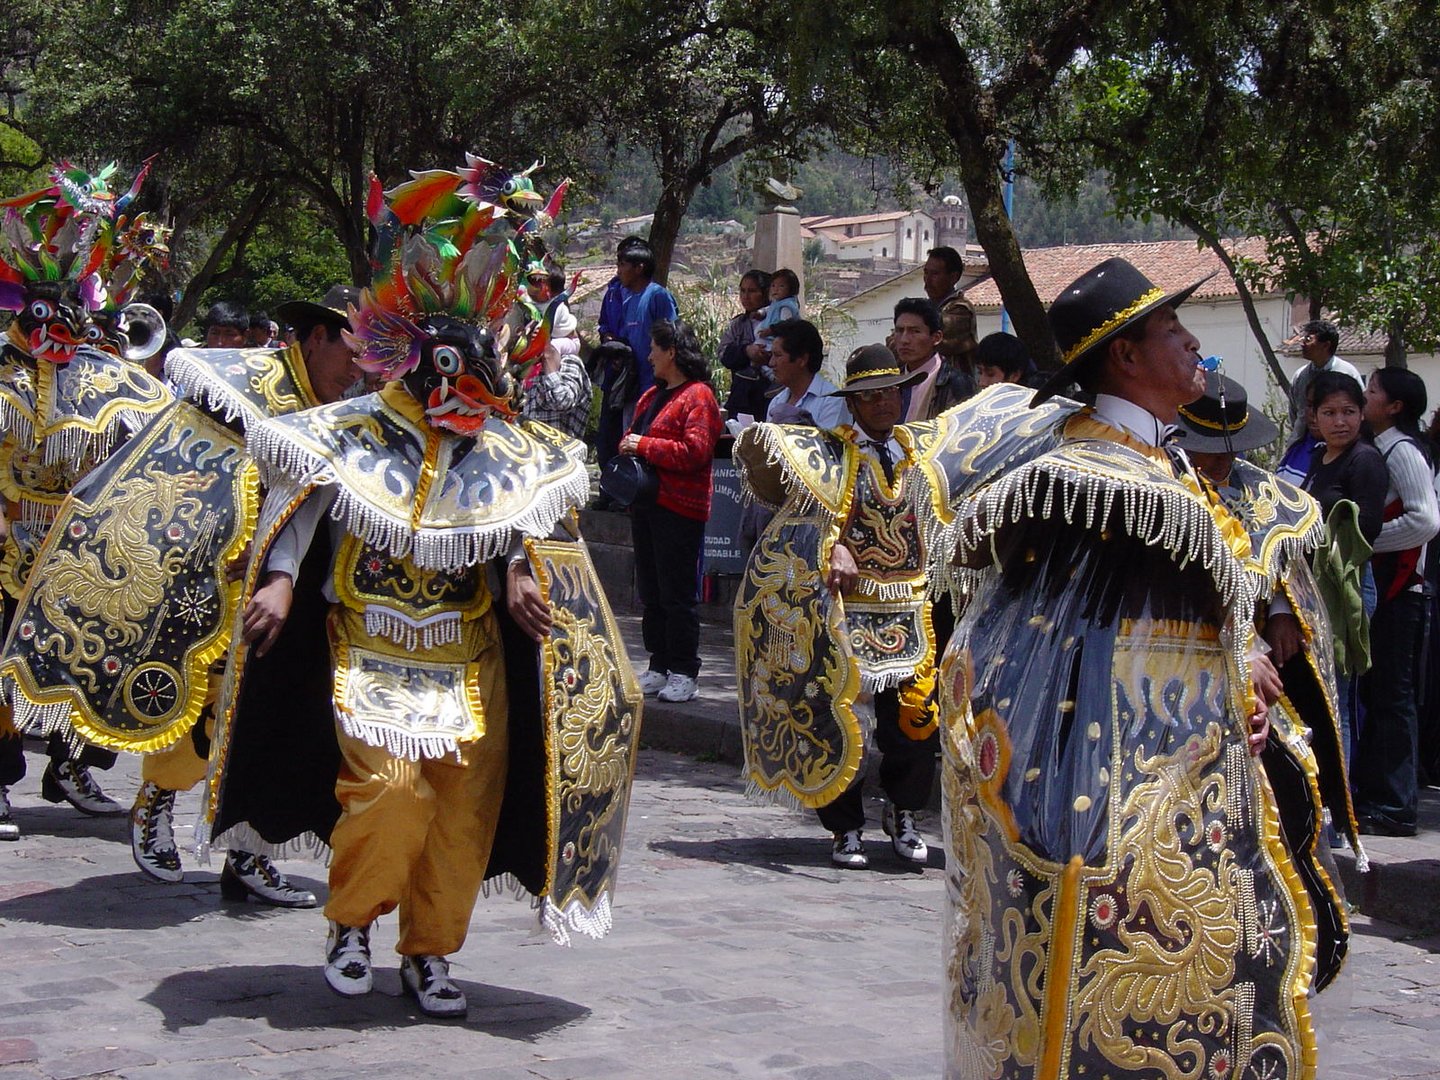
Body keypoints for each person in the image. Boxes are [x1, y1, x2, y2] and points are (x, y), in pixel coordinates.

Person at [207, 157, 641, 1015]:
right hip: (368, 644)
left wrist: (520, 573)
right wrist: (285, 580)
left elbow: (521, 514)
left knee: (461, 812)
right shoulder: (351, 433)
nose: (465, 392)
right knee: (391, 796)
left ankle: (430, 951)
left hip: (468, 649)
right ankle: (354, 924)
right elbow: (308, 502)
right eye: (450, 372)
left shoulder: (499, 444)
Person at [930, 257, 1340, 1076]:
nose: (1195, 345)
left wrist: (1240, 668)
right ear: (1124, 356)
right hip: (1111, 805)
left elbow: (1185, 628)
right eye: (1172, 332)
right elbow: (1071, 645)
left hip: (1180, 796)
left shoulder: (1156, 461)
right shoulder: (1093, 475)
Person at [111, 285, 361, 902]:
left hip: (297, 586)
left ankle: (250, 850)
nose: (357, 368)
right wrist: (232, 543)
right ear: (318, 336)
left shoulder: (344, 404)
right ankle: (156, 802)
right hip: (217, 577)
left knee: (271, 717)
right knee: (203, 702)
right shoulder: (244, 386)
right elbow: (190, 471)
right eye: (350, 351)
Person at [0, 163, 174, 840]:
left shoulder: (104, 382)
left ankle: (73, 766)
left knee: (83, 658)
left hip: (74, 547)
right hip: (7, 540)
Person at [733, 344, 941, 870]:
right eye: (870, 396)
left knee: (916, 721)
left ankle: (904, 812)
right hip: (844, 610)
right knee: (830, 715)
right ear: (853, 402)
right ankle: (844, 826)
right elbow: (800, 524)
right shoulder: (828, 456)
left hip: (909, 607)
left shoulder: (923, 454)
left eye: (892, 391)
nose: (884, 403)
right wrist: (835, 544)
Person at [1353, 367, 1440, 836]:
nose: (1364, 398)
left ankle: (1394, 804)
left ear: (1395, 407)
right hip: (1385, 589)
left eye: (1371, 393)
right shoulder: (1378, 448)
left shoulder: (1403, 451)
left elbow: (1425, 520)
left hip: (1400, 593)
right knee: (1378, 693)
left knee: (1393, 697)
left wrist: (1364, 541)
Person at [620, 319, 722, 704]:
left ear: (672, 352)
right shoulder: (651, 396)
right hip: (646, 505)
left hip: (680, 508)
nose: (649, 355)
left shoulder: (699, 397)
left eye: (654, 349)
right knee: (652, 591)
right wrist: (633, 444)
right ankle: (659, 664)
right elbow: (630, 436)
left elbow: (696, 452)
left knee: (677, 593)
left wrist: (644, 446)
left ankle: (684, 670)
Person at [1301, 370, 1386, 769]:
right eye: (1330, 412)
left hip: (1347, 587)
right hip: (1313, 588)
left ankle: (1341, 808)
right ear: (1313, 417)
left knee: (1341, 698)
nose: (1340, 422)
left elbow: (1365, 528)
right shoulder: (1320, 457)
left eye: (1349, 412)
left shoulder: (1365, 459)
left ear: (1362, 414)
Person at [593, 237, 676, 472]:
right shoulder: (625, 299)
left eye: (622, 265)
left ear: (639, 268)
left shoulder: (658, 296)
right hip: (629, 385)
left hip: (653, 384)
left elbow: (671, 335)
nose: (618, 272)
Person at [890, 297, 971, 421]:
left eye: (915, 331)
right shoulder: (891, 383)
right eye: (899, 331)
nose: (904, 340)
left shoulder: (954, 383)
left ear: (936, 338)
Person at [1286, 318, 1361, 443]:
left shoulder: (1347, 373)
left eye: (1308, 339)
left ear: (1326, 345)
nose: (1302, 343)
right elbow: (1295, 412)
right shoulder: (1300, 376)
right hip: (1303, 442)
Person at [764, 319, 846, 430]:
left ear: (802, 359)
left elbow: (830, 445)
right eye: (771, 355)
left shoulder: (832, 400)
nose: (771, 363)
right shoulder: (776, 402)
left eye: (778, 355)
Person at [717, 269, 771, 419]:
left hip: (772, 397)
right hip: (742, 399)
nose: (746, 297)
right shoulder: (737, 325)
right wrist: (746, 351)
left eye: (752, 291)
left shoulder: (780, 322)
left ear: (766, 292)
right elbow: (723, 353)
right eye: (742, 291)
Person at [921, 245, 978, 379]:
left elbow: (923, 344)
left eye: (935, 274)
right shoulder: (926, 308)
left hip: (954, 391)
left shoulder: (961, 310)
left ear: (953, 277)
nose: (928, 280)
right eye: (926, 272)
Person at [752, 267, 801, 353]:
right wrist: (760, 313)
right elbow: (769, 309)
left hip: (775, 339)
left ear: (791, 289)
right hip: (768, 337)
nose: (776, 289)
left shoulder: (786, 307)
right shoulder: (777, 302)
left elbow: (786, 325)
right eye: (773, 285)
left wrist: (772, 331)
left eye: (781, 286)